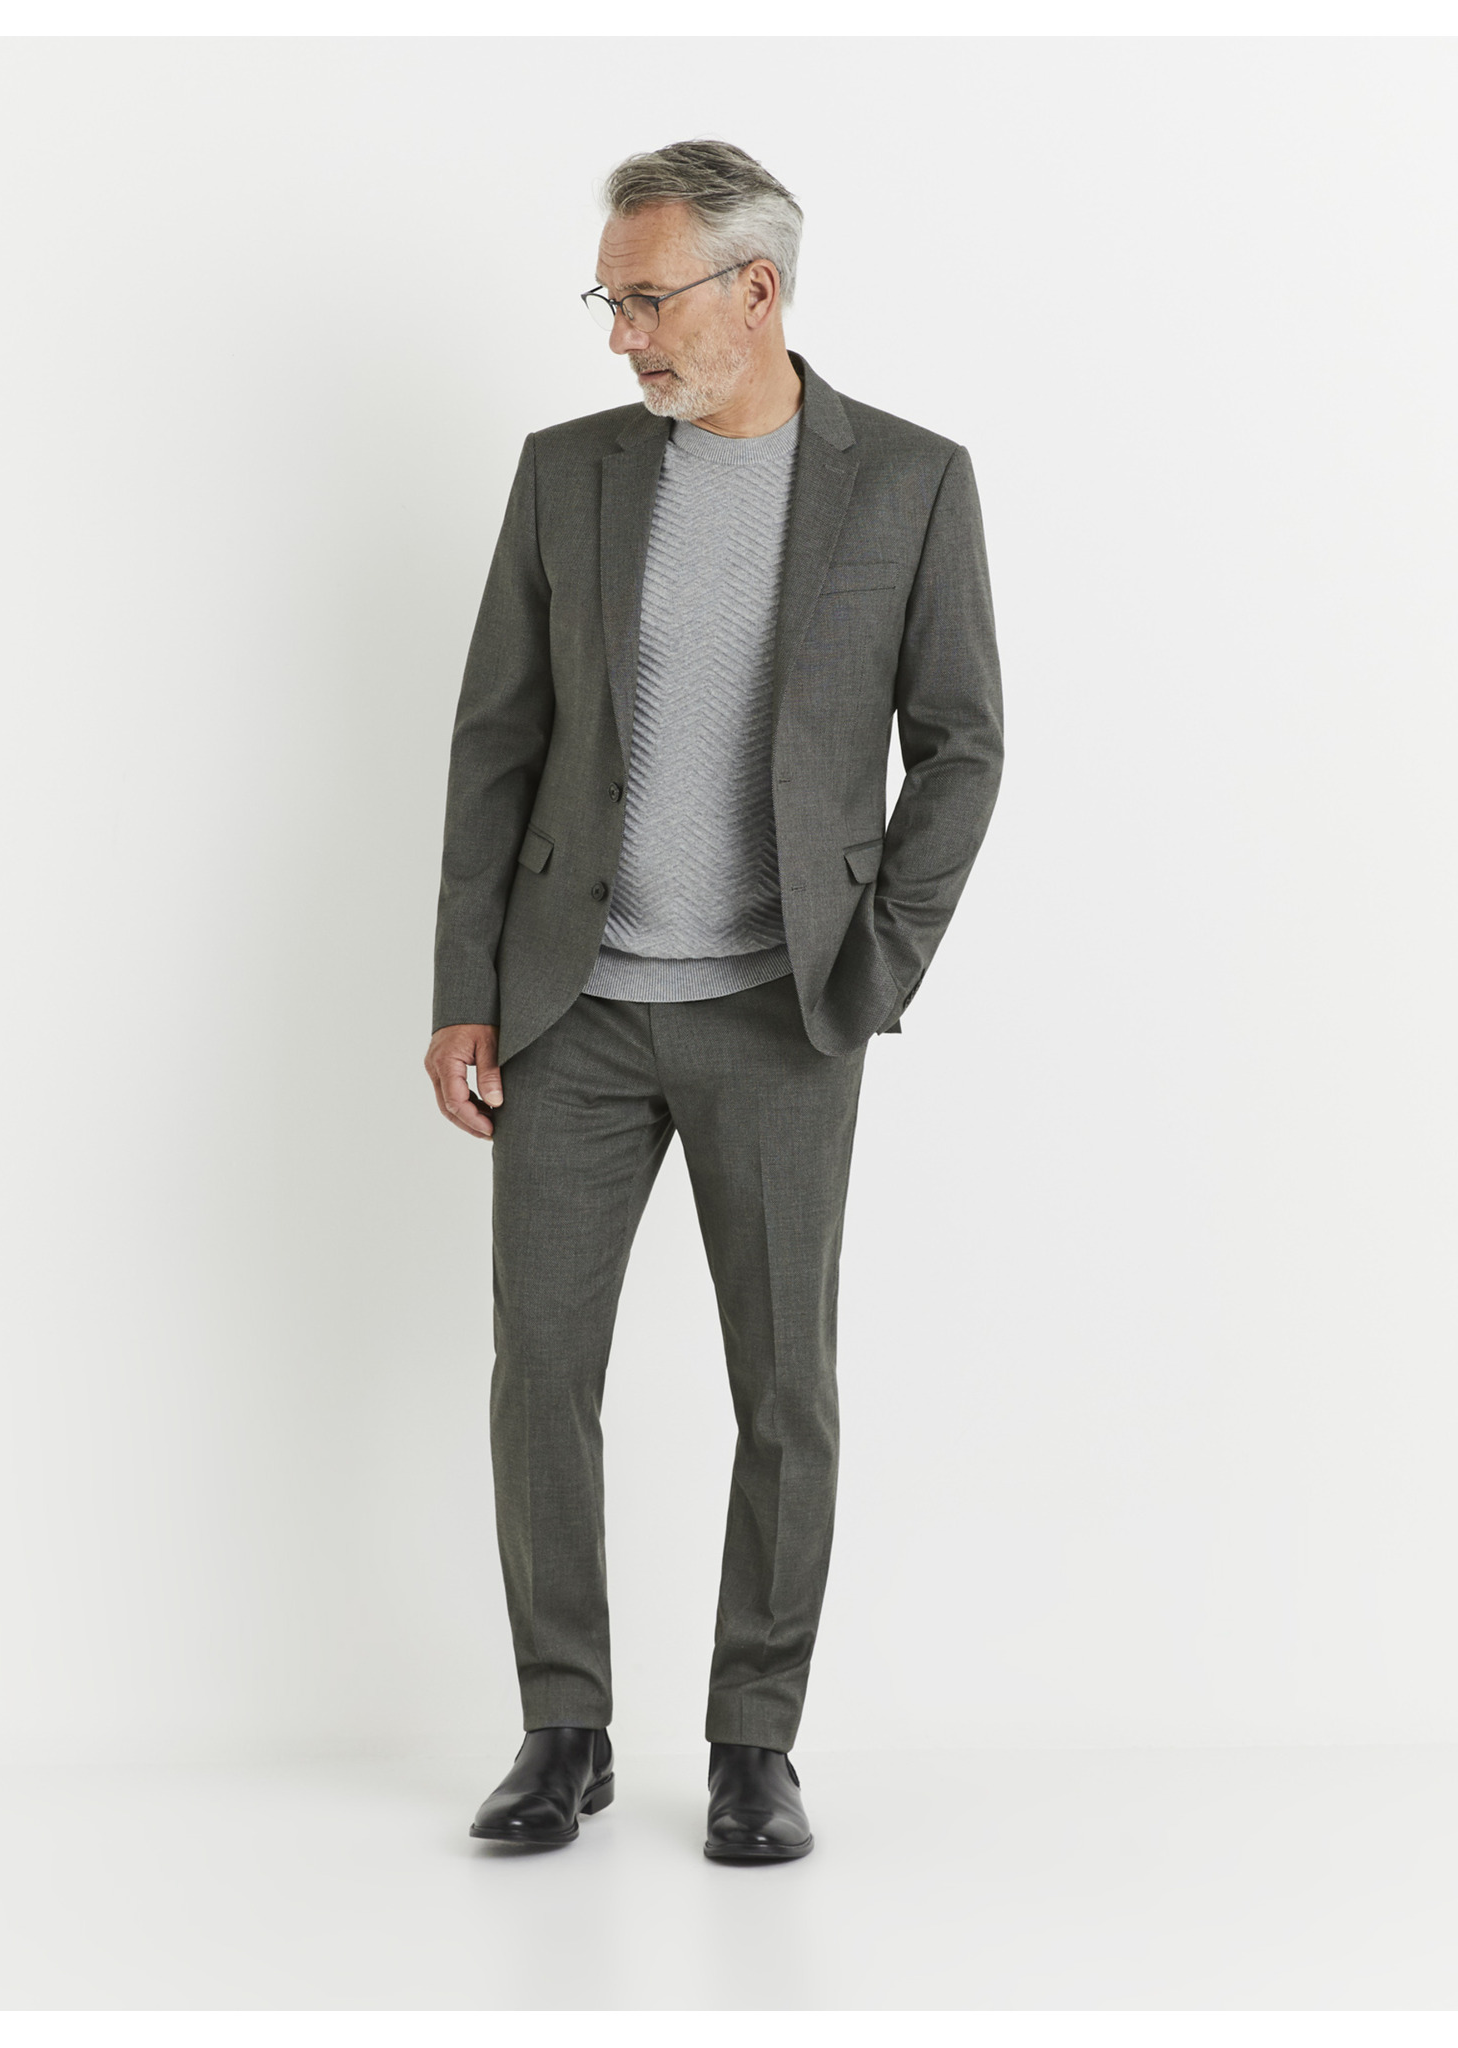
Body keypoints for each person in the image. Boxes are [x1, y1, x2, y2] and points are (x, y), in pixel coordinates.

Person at [426, 139, 1004, 1863]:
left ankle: (755, 1740)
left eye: (647, 299)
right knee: (541, 1375)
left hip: (781, 1010)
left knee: (784, 1389)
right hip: (574, 1013)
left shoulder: (910, 481)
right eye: (608, 300)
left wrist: (876, 960)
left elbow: (962, 744)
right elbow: (497, 741)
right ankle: (564, 1727)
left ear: (757, 290)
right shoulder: (569, 475)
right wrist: (465, 991)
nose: (622, 336)